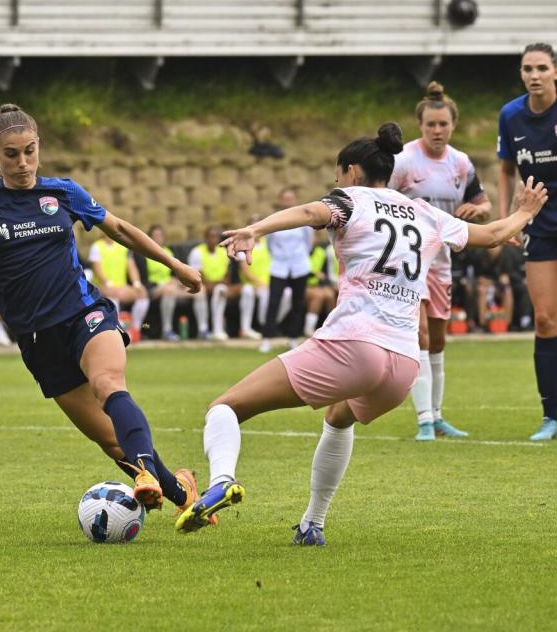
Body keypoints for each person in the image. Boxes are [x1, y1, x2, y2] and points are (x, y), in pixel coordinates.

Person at [175, 123, 548, 544]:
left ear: (352, 171)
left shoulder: (350, 200)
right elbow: (492, 235)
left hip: (355, 344)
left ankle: (222, 480)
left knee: (225, 408)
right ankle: (312, 525)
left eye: (338, 174)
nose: (335, 183)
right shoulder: (423, 211)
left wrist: (255, 229)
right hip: (403, 367)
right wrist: (525, 211)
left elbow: (310, 213)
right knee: (338, 417)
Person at [0, 103, 203, 513]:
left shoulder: (63, 193)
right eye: (12, 154)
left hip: (84, 314)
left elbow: (119, 228)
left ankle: (144, 472)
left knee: (108, 384)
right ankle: (183, 495)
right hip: (38, 340)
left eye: (30, 151)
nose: (22, 163)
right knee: (109, 440)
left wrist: (174, 265)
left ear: (39, 148)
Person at [390, 81, 491, 441]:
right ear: (420, 125)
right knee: (416, 334)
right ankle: (424, 422)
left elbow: (483, 201)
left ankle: (437, 414)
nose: (437, 130)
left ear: (453, 125)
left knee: (437, 339)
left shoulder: (460, 163)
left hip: (442, 264)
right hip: (408, 263)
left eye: (443, 124)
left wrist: (478, 209)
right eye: (431, 124)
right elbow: (379, 199)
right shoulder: (402, 160)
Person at [497, 43, 557, 441]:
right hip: (540, 225)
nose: (534, 75)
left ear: (555, 72)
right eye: (527, 69)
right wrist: (509, 220)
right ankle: (552, 415)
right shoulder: (511, 115)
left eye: (541, 68)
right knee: (544, 318)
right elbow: (504, 170)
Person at [259, 187, 313, 353]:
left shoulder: (303, 218)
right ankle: (267, 338)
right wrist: (279, 257)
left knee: (298, 302)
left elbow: (308, 241)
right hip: (279, 266)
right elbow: (269, 243)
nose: (288, 201)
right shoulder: (274, 218)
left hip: (299, 265)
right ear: (280, 200)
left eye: (291, 198)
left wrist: (301, 257)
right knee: (273, 301)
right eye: (285, 198)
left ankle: (293, 338)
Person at [89, 233, 149, 342]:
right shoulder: (96, 246)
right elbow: (98, 269)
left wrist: (137, 284)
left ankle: (135, 328)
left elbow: (131, 267)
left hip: (121, 287)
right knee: (112, 297)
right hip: (103, 287)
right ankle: (115, 331)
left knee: (142, 294)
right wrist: (108, 283)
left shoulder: (123, 247)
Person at [138, 224, 192, 341]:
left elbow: (174, 274)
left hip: (170, 286)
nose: (158, 238)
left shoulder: (169, 252)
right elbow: (144, 279)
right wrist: (163, 285)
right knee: (169, 291)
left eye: (160, 236)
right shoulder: (144, 253)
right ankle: (167, 330)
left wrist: (177, 281)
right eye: (155, 236)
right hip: (153, 288)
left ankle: (204, 329)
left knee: (199, 291)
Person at [187, 226, 238, 340]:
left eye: (215, 237)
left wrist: (215, 284)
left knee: (220, 289)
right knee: (200, 291)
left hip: (219, 286)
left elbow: (227, 278)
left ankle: (217, 329)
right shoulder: (196, 252)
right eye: (210, 237)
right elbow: (199, 276)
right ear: (205, 238)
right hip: (203, 285)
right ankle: (203, 329)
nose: (212, 240)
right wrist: (209, 284)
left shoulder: (224, 252)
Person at [303, 230, 338, 337]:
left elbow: (324, 273)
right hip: (303, 285)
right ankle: (308, 330)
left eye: (314, 237)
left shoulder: (320, 252)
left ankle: (333, 328)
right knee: (318, 296)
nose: (312, 240)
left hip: (319, 285)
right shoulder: (301, 252)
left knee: (329, 295)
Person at [473, 245, 515, 331]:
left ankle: (507, 323)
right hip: (485, 287)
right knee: (482, 290)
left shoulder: (506, 255)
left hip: (499, 286)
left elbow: (506, 277)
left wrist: (500, 281)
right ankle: (483, 324)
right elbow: (479, 278)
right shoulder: (479, 254)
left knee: (508, 291)